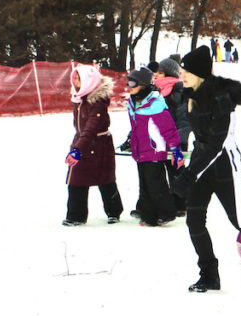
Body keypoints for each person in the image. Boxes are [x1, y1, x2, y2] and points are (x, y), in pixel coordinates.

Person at [171, 45, 241, 292]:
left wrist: (190, 174)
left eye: (186, 72)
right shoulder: (190, 94)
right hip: (202, 164)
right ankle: (209, 275)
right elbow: (196, 136)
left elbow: (217, 143)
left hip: (226, 166)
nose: (182, 76)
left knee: (239, 219)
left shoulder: (221, 98)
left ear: (200, 74)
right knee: (194, 220)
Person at [64, 64, 123, 226]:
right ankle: (76, 215)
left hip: (99, 146)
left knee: (105, 180)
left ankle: (114, 211)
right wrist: (77, 146)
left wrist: (77, 150)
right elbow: (82, 128)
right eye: (75, 79)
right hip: (83, 142)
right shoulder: (79, 99)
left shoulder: (97, 102)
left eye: (80, 79)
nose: (76, 83)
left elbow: (91, 128)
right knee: (76, 179)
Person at [124, 67, 182, 227]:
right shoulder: (133, 101)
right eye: (128, 82)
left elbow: (169, 128)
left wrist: (176, 149)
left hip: (154, 149)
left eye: (133, 82)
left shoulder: (155, 103)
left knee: (156, 184)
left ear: (143, 84)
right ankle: (149, 215)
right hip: (140, 150)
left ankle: (167, 212)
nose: (130, 86)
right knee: (144, 184)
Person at [155, 57, 191, 216]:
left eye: (160, 72)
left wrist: (178, 140)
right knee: (155, 174)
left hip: (176, 141)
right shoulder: (155, 92)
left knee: (177, 173)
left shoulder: (180, 92)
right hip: (158, 141)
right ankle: (159, 202)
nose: (156, 75)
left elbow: (185, 120)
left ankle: (181, 204)